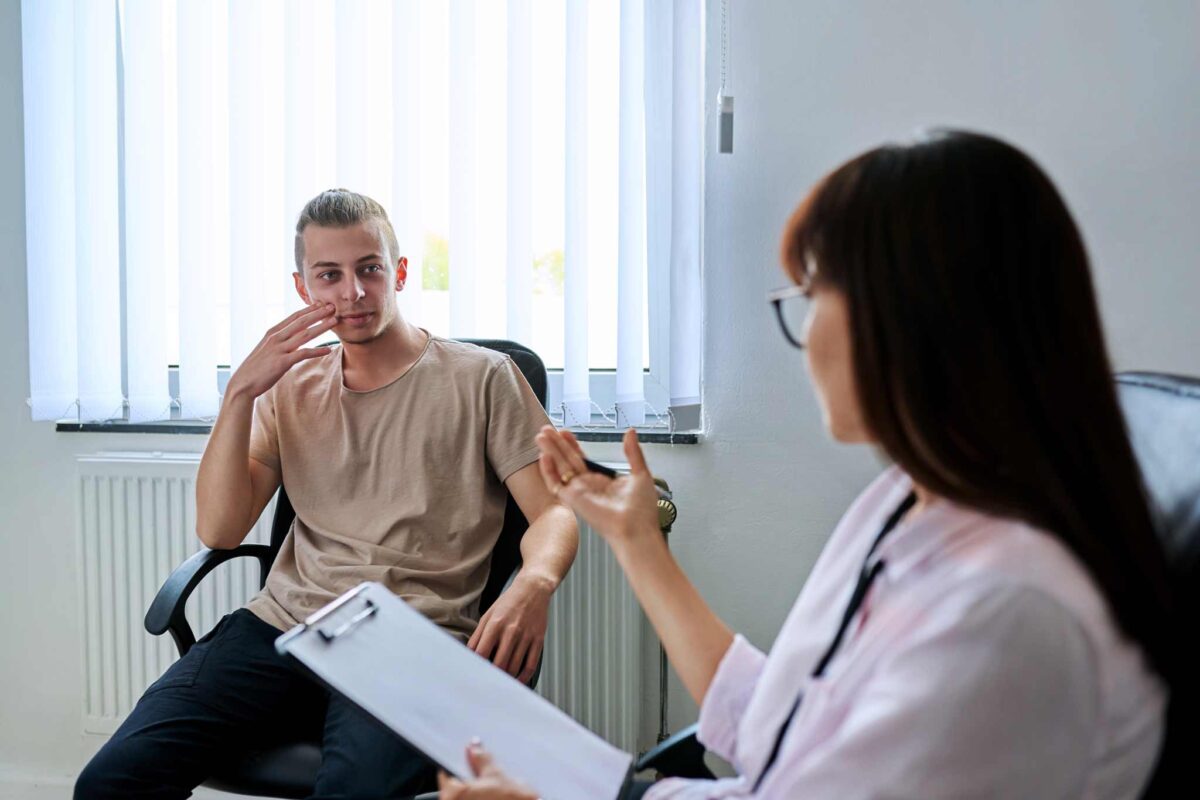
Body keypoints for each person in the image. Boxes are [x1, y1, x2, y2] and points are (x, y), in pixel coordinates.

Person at [438, 131, 1173, 799]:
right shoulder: (906, 498)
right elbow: (786, 733)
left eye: (814, 291)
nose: (802, 327)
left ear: (913, 316)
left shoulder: (1011, 612)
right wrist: (636, 543)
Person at [75, 189, 579, 799]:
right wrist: (239, 395)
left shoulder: (482, 377)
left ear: (398, 271)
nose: (353, 293)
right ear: (303, 288)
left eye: (368, 269)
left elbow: (553, 509)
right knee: (109, 784)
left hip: (413, 639)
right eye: (329, 276)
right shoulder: (290, 389)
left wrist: (534, 583)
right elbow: (220, 531)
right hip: (282, 628)